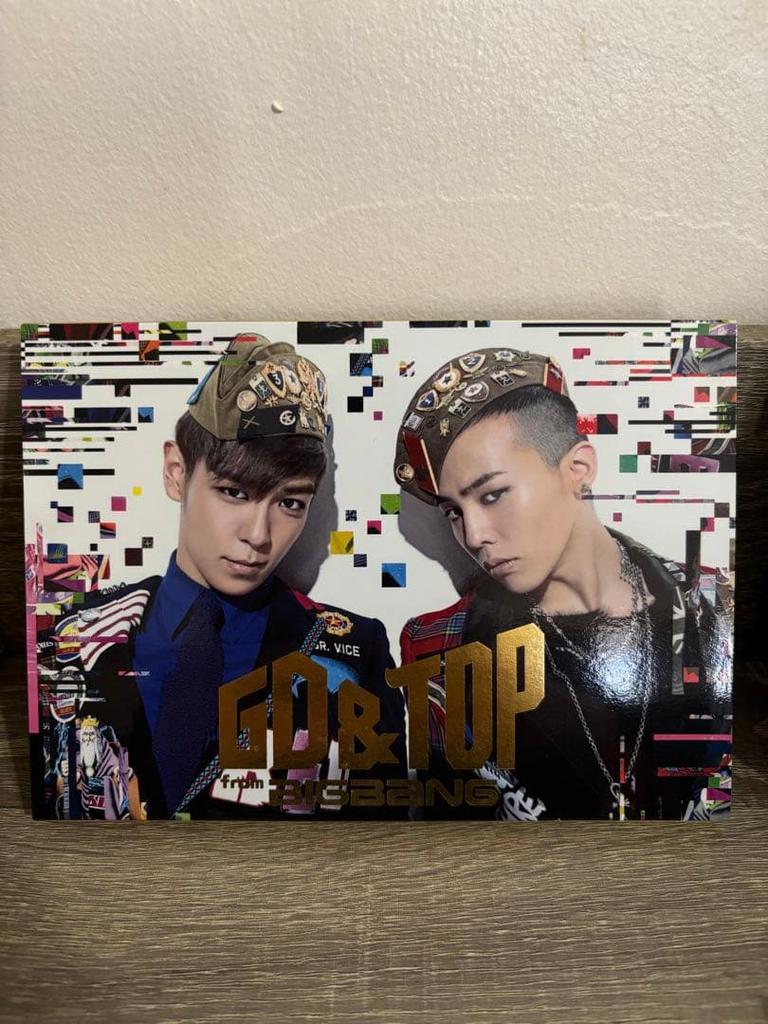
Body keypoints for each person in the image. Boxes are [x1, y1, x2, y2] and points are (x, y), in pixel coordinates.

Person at [35, 334, 406, 819]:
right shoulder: (69, 633)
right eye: (233, 492)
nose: (258, 535)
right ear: (176, 472)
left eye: (290, 502)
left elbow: (381, 838)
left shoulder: (356, 649)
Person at [393, 347, 732, 820]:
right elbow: (452, 830)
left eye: (492, 495)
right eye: (454, 511)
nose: (473, 536)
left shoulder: (720, 607)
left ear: (578, 470)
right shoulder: (437, 652)